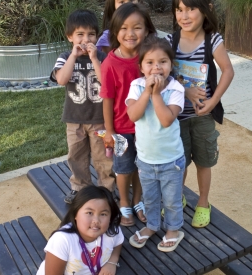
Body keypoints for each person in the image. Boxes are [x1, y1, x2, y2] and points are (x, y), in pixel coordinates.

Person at [166, 0, 234, 227]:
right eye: (179, 9)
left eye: (190, 8)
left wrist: (213, 101)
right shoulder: (170, 41)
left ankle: (203, 202)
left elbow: (228, 70)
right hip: (177, 116)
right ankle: (178, 197)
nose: (184, 15)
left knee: (204, 162)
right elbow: (161, 72)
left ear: (206, 9)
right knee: (180, 162)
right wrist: (185, 89)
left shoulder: (212, 40)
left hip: (203, 115)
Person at [50, 9, 116, 204]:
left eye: (91, 35)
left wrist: (94, 59)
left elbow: (107, 83)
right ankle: (80, 188)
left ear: (97, 36)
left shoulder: (103, 58)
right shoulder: (64, 57)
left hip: (99, 119)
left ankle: (106, 188)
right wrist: (73, 56)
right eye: (80, 34)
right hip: (74, 119)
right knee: (76, 155)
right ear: (70, 37)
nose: (86, 39)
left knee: (103, 158)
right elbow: (61, 79)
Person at [126, 36, 186, 252]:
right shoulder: (136, 86)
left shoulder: (176, 89)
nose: (156, 67)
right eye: (150, 62)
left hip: (171, 160)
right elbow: (133, 114)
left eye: (163, 62)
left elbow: (167, 119)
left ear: (171, 65)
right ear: (141, 66)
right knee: (150, 199)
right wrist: (146, 92)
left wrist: (157, 94)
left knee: (171, 201)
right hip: (145, 160)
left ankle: (173, 229)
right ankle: (152, 226)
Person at [100, 2, 156, 226]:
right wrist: (110, 131)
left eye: (137, 27)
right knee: (123, 170)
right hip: (121, 130)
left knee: (141, 167)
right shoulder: (110, 63)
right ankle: (124, 203)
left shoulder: (149, 59)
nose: (130, 34)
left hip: (145, 126)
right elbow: (107, 99)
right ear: (114, 31)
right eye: (123, 28)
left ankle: (137, 200)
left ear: (147, 30)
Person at [36, 185, 123, 275]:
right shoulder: (62, 240)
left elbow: (118, 242)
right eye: (89, 213)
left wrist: (112, 262)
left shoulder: (111, 230)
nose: (96, 221)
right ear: (75, 214)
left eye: (103, 214)